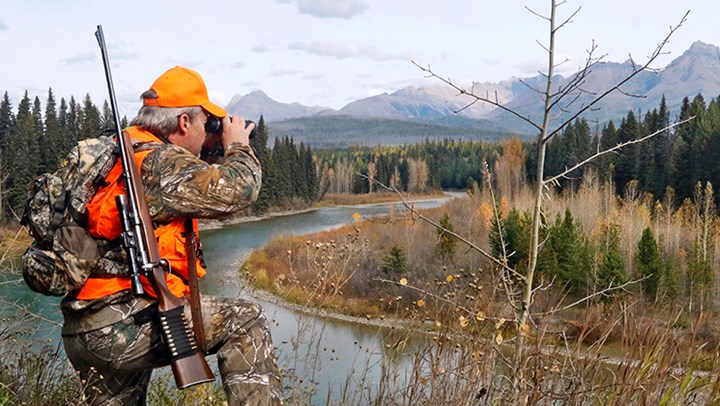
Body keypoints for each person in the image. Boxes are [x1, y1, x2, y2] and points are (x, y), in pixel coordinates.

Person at [60, 66, 283, 405]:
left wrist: (209, 149)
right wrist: (237, 145)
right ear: (183, 123)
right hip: (123, 326)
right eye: (204, 122)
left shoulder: (115, 153)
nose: (207, 131)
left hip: (84, 327)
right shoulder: (161, 165)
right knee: (245, 320)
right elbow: (240, 189)